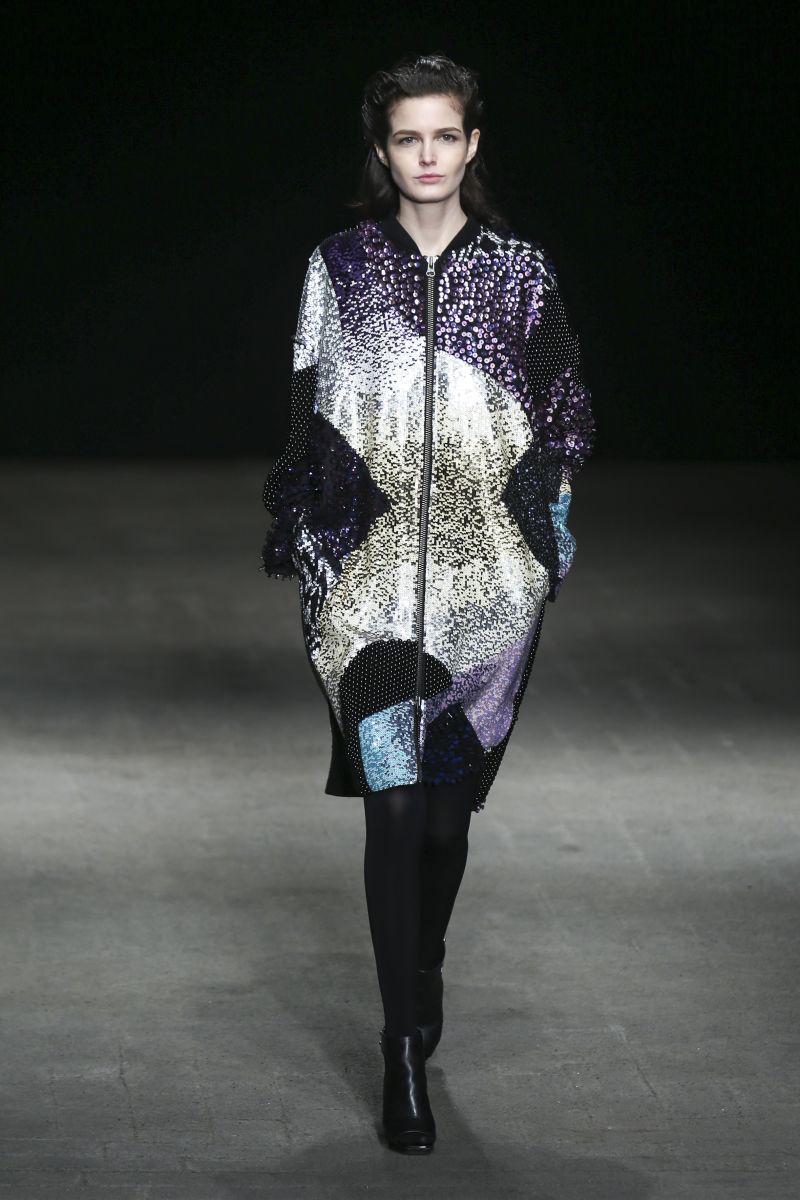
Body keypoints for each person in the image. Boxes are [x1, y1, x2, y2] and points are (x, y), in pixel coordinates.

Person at [259, 52, 596, 1154]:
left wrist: (540, 526)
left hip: (488, 581)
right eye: (407, 138)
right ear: (383, 149)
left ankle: (424, 961)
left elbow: (564, 404)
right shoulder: (340, 266)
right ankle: (399, 1048)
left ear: (472, 144)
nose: (426, 155)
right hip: (365, 584)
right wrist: (315, 542)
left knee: (446, 823)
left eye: (444, 135)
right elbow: (307, 406)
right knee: (393, 811)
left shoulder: (519, 272)